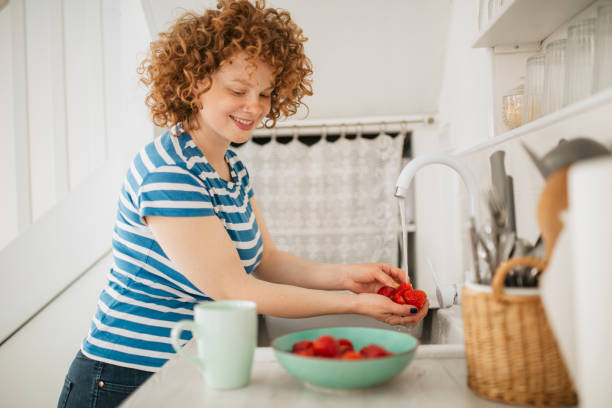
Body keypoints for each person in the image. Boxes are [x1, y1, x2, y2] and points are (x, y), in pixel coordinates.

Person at [57, 1, 428, 406]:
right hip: (122, 378)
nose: (255, 106)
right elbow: (233, 288)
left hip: (187, 365)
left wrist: (347, 276)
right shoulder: (169, 172)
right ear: (194, 81)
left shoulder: (230, 165)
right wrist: (356, 305)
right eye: (238, 90)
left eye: (266, 93)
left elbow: (265, 260)